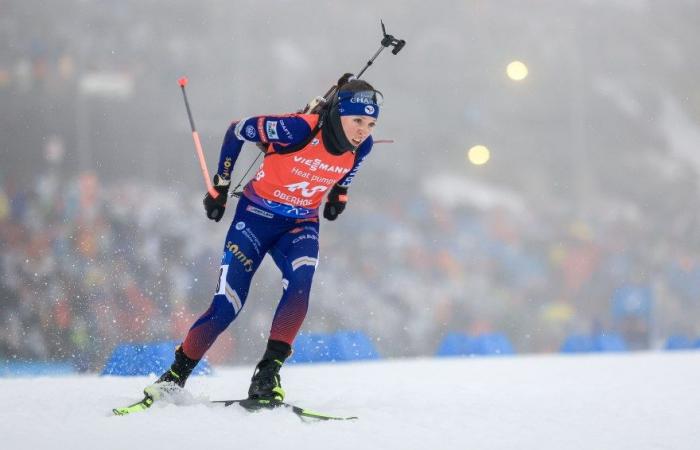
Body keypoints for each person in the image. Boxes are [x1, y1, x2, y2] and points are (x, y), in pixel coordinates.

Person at [144, 76, 383, 407]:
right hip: (255, 219)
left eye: (370, 123)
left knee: (301, 284)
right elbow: (236, 130)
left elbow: (349, 170)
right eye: (357, 120)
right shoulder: (298, 129)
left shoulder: (363, 146)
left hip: (300, 223)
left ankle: (267, 374)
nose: (363, 130)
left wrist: (339, 195)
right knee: (227, 306)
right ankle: (174, 377)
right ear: (339, 113)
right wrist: (221, 185)